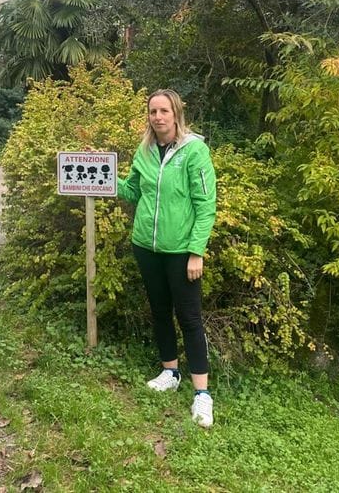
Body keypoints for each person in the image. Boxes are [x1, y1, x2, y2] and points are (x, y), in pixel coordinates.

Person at [117, 89, 217, 428]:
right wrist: (104, 176)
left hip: (181, 252)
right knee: (159, 310)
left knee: (189, 317)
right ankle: (170, 371)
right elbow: (132, 191)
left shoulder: (195, 151)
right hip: (146, 245)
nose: (158, 117)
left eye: (164, 111)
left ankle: (202, 395)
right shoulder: (143, 151)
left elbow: (205, 206)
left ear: (176, 114)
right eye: (152, 111)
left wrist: (196, 252)